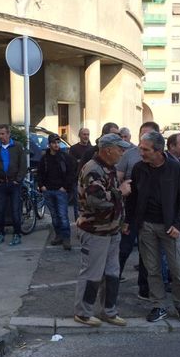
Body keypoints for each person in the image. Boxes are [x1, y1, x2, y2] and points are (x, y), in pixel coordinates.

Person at [125, 131, 180, 323]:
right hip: (146, 226)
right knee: (152, 269)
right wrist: (129, 222)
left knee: (177, 269)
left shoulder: (176, 168)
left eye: (145, 149)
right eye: (140, 147)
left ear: (158, 150)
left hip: (170, 228)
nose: (140, 152)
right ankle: (159, 305)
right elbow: (133, 198)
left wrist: (178, 224)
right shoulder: (139, 169)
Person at [73, 133, 132, 327]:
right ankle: (83, 313)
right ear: (108, 150)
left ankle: (109, 311)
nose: (122, 152)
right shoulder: (93, 169)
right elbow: (96, 200)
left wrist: (121, 221)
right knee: (92, 274)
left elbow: (114, 202)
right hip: (95, 232)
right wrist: (119, 192)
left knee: (112, 274)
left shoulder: (109, 168)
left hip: (111, 231)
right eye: (119, 148)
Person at [116, 121, 161, 299]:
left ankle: (144, 288)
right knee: (124, 248)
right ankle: (113, 280)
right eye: (142, 134)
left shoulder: (164, 159)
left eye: (149, 135)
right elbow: (118, 178)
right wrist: (122, 188)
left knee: (147, 254)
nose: (144, 139)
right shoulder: (129, 155)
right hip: (132, 210)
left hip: (152, 214)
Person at [37, 134, 76, 250]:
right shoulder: (44, 158)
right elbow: (40, 173)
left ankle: (66, 238)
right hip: (48, 191)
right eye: (54, 143)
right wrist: (42, 186)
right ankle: (58, 235)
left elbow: (72, 173)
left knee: (63, 216)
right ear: (49, 144)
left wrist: (65, 187)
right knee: (54, 216)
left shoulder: (65, 157)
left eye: (58, 143)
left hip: (60, 191)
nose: (56, 145)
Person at [0, 124, 27, 246]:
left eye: (2, 133)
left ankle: (17, 234)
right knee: (0, 211)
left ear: (8, 134)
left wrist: (18, 180)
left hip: (14, 183)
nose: (0, 136)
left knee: (15, 211)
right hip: (1, 183)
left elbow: (23, 165)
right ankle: (0, 233)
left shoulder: (17, 146)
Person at [69, 128, 92, 221]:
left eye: (88, 134)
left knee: (89, 203)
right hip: (78, 180)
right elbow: (71, 163)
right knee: (78, 204)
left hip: (90, 180)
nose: (86, 136)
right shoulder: (74, 148)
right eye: (84, 134)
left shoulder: (91, 148)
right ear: (79, 135)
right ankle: (78, 225)